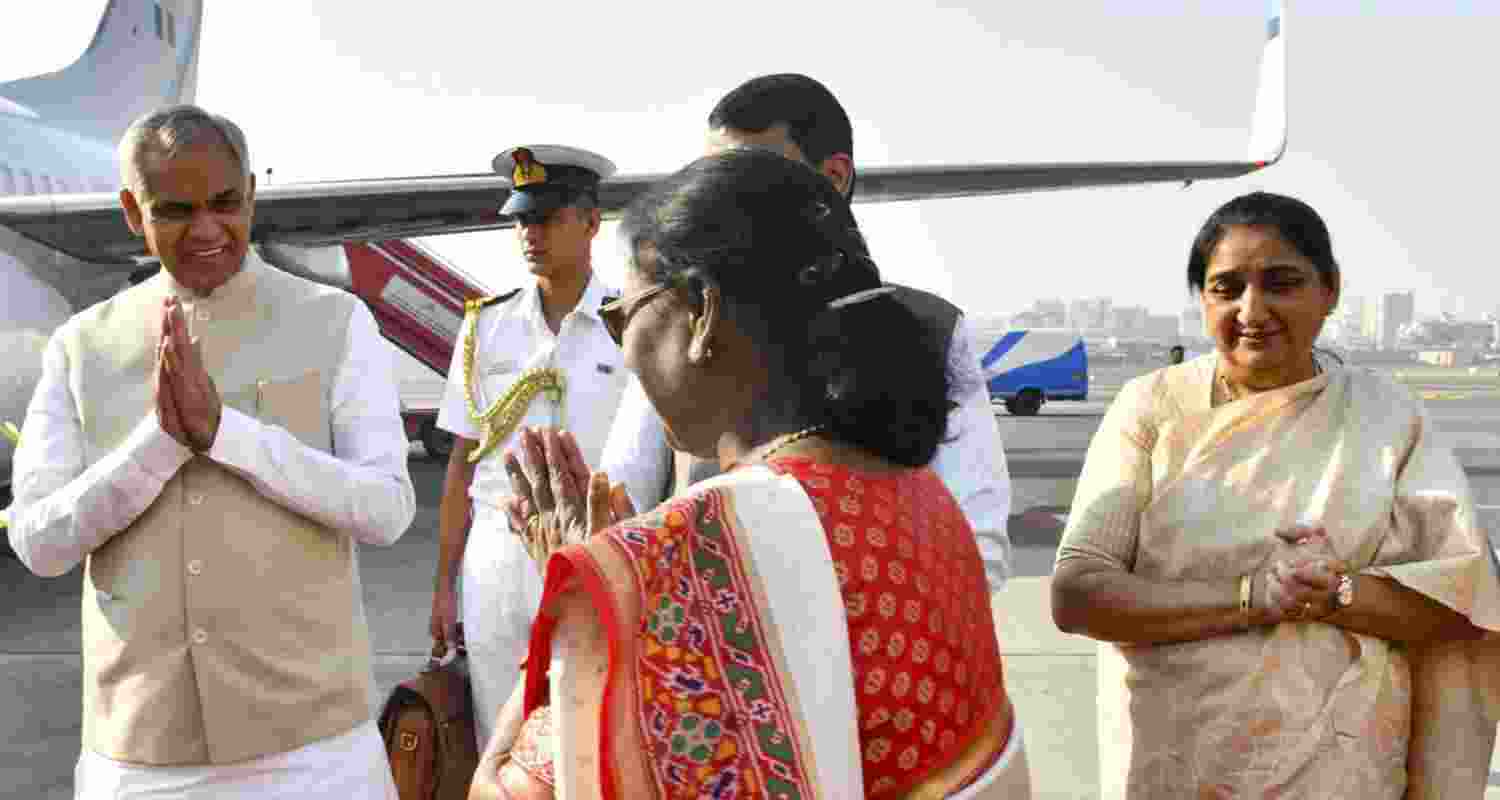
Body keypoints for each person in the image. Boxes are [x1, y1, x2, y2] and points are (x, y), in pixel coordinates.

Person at [469, 149, 1029, 799]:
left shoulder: (679, 559)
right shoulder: (925, 500)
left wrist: (581, 606)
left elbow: (497, 791)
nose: (623, 348)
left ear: (701, 313)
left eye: (625, 314)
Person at [7, 105, 416, 797]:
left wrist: (230, 436)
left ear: (252, 194)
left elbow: (386, 510)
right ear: (132, 213)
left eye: (226, 204)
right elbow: (37, 542)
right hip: (139, 757)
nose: (206, 230)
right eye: (174, 210)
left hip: (314, 753)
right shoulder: (80, 344)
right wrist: (158, 445)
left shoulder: (335, 321)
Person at [1050, 191, 1500, 798]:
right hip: (1178, 761)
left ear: (1330, 290)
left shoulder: (1388, 416)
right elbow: (1078, 595)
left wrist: (1336, 591)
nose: (1251, 309)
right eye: (1226, 288)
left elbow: (1464, 606)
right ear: (1201, 300)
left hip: (1341, 767)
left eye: (1281, 283)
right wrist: (1255, 595)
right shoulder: (1151, 408)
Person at [599, 73, 1016, 591]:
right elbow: (625, 496)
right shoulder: (678, 321)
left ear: (834, 177)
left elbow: (977, 548)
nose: (715, 197)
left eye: (747, 172)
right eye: (712, 175)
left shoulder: (928, 329)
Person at [429, 145, 629, 750]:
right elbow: (462, 462)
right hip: (497, 550)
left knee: (593, 725)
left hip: (595, 544)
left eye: (546, 218)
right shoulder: (486, 324)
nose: (528, 233)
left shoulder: (631, 323)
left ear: (591, 222)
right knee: (502, 724)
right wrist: (444, 585)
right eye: (520, 219)